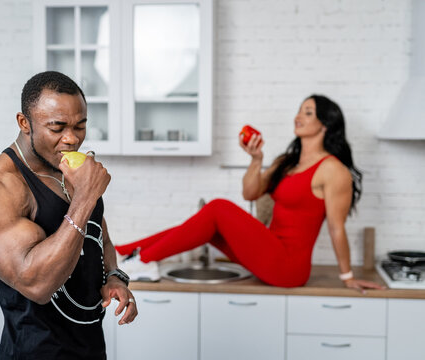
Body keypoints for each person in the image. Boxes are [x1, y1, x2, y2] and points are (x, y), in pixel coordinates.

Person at [116, 94, 385, 293]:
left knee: (218, 208)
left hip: (289, 266)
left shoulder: (333, 170)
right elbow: (250, 193)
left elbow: (337, 228)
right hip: (270, 248)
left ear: (325, 124)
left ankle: (141, 260)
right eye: (299, 110)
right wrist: (256, 160)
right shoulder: (287, 161)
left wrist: (347, 276)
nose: (298, 117)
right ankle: (123, 253)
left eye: (308, 112)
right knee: (208, 225)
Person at [0, 71, 137, 359]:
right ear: (24, 123)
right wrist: (85, 197)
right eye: (57, 128)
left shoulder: (72, 169)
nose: (71, 139)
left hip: (92, 349)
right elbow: (37, 284)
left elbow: (99, 235)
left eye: (80, 126)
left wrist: (115, 278)